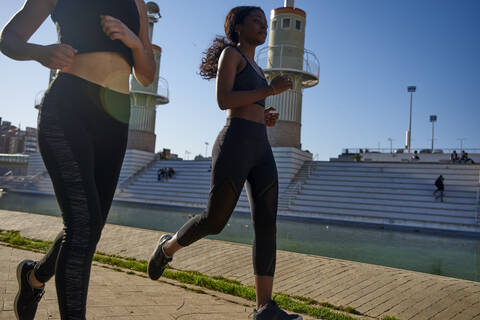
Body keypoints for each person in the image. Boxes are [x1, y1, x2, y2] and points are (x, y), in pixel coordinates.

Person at [0, 0, 155, 319]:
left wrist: (135, 41)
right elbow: (9, 38)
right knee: (82, 226)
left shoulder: (137, 3)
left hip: (115, 118)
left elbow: (147, 74)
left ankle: (33, 277)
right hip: (68, 108)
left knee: (90, 227)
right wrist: (40, 52)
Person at [147, 6, 300, 320]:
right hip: (234, 144)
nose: (263, 26)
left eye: (263, 21)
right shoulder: (231, 56)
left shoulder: (258, 68)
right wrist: (270, 91)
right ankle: (167, 248)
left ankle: (264, 308)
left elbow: (250, 102)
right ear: (238, 27)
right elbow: (224, 101)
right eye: (256, 21)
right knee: (215, 221)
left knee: (267, 224)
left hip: (261, 147)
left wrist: (265, 113)